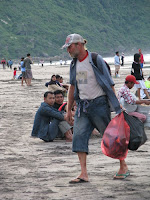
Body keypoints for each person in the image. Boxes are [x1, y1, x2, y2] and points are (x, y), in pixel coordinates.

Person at [61, 33, 125, 183]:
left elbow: (110, 84)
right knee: (78, 137)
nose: (68, 51)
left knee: (110, 137)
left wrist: (116, 106)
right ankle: (83, 173)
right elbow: (72, 87)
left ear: (79, 45)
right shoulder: (74, 64)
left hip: (99, 105)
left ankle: (123, 166)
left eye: (69, 47)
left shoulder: (95, 60)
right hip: (82, 107)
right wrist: (69, 109)